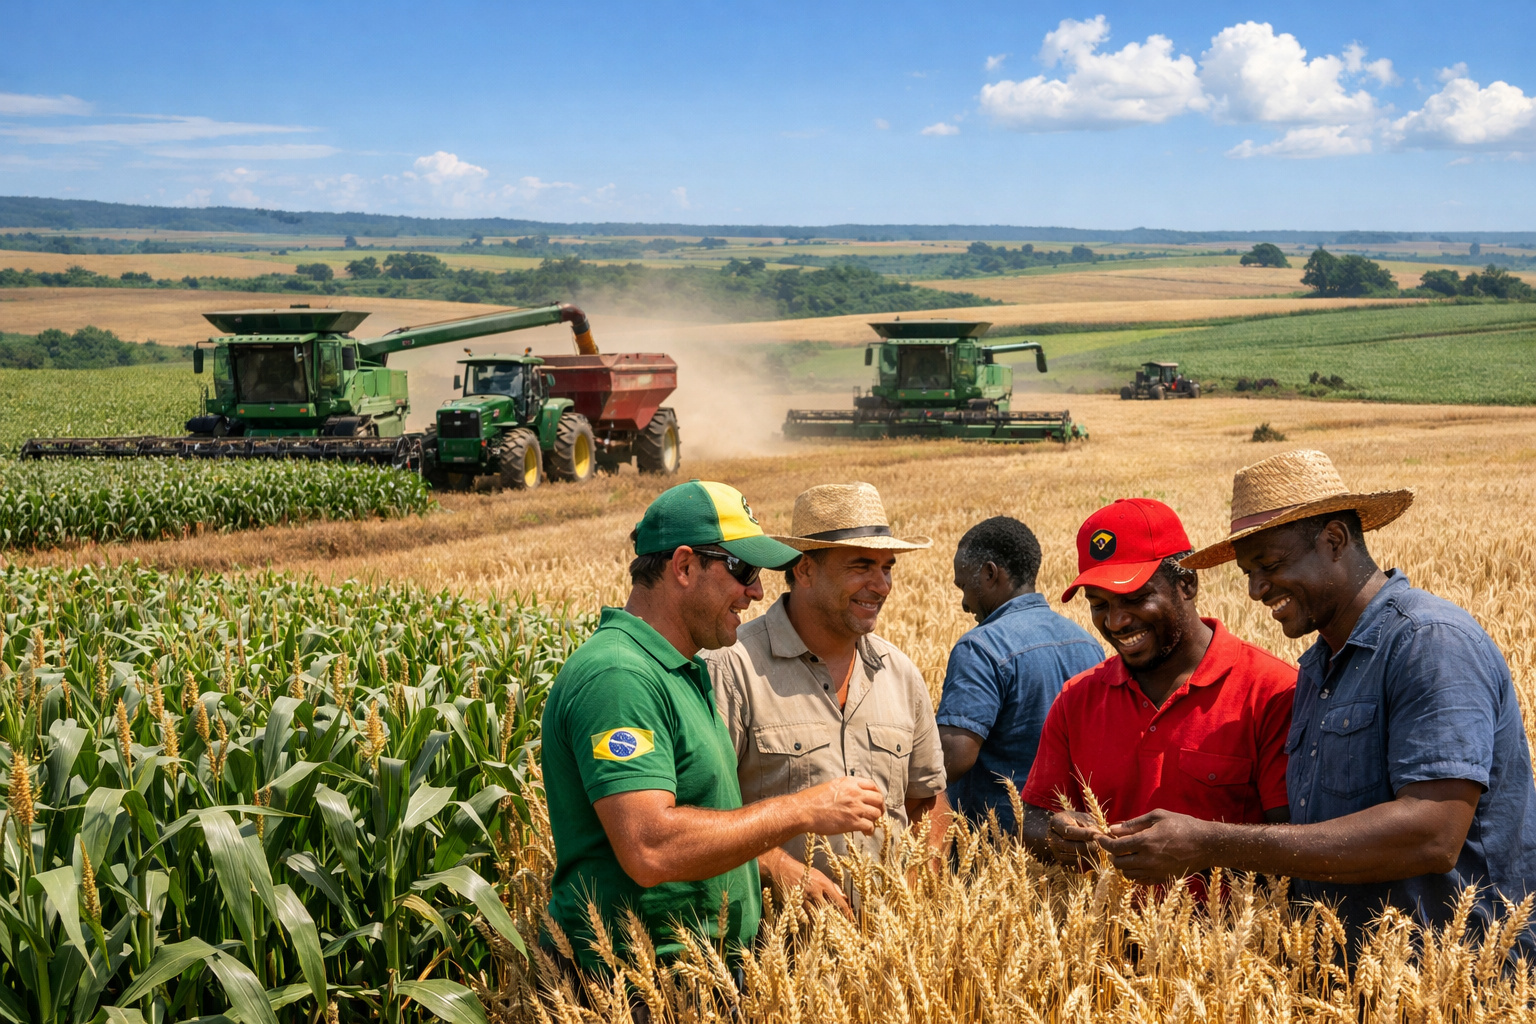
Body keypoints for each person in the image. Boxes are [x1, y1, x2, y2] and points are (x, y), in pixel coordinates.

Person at [1097, 450, 1536, 953]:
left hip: (1465, 980)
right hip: (1357, 977)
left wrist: (1209, 843)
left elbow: (1432, 834)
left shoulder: (1428, 641)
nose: (1257, 589)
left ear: (1334, 540)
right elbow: (1312, 833)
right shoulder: (1316, 669)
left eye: (1270, 564)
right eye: (1247, 572)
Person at [541, 480, 888, 980]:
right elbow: (649, 846)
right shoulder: (619, 677)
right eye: (742, 569)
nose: (758, 591)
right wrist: (805, 808)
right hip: (641, 985)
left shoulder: (682, 669)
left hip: (697, 975)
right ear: (683, 566)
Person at [708, 482, 947, 916]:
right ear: (804, 570)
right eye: (861, 567)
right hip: (775, 955)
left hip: (890, 953)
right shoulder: (733, 668)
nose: (881, 585)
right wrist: (778, 867)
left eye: (887, 568)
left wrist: (915, 891)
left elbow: (926, 801)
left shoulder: (901, 674)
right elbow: (703, 815)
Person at [1020, 498, 1297, 870]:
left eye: (1135, 598)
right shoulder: (1076, 699)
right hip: (1105, 927)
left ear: (1187, 583)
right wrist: (1056, 834)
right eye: (1099, 604)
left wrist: (1206, 847)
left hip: (1232, 927)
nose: (1116, 622)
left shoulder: (1272, 689)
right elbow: (1034, 819)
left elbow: (1298, 840)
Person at [936, 516, 1103, 834]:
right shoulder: (1086, 642)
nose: (963, 603)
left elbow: (953, 756)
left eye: (964, 586)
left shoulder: (981, 647)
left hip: (1000, 844)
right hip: (1073, 841)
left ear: (989, 573)